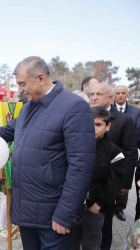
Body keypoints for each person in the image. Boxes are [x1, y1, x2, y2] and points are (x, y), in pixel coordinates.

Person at [0, 56, 96, 249]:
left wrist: (65, 214)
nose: (20, 90)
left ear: (41, 78)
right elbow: (6, 131)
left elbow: (81, 167)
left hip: (54, 216)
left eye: (22, 84)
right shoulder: (27, 108)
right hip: (27, 212)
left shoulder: (74, 107)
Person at [89, 81, 137, 250]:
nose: (94, 97)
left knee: (105, 226)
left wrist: (125, 184)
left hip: (109, 184)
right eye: (91, 94)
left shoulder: (124, 120)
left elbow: (131, 153)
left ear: (110, 98)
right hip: (88, 186)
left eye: (99, 94)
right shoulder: (83, 117)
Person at [71, 106, 126, 249]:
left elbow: (114, 183)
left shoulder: (114, 152)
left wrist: (99, 205)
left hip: (94, 208)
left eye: (98, 124)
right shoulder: (75, 146)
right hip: (73, 205)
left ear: (108, 126)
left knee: (92, 242)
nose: (93, 128)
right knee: (71, 242)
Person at [113, 85, 140, 221]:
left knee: (125, 180)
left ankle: (120, 208)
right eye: (117, 93)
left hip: (128, 152)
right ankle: (109, 205)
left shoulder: (136, 112)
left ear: (127, 95)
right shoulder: (109, 111)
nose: (120, 95)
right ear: (114, 95)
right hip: (112, 152)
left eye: (123, 93)